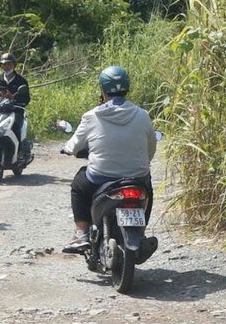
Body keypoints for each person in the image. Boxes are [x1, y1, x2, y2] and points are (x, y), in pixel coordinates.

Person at [61, 66, 157, 254]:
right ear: (127, 88)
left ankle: (81, 233)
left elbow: (73, 147)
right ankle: (141, 232)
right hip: (137, 178)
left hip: (100, 177)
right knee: (148, 190)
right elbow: (150, 150)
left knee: (78, 187)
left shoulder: (92, 116)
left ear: (103, 90)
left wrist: (67, 149)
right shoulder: (143, 115)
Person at [0, 52, 32, 168]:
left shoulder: (21, 81)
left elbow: (26, 98)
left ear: (14, 65)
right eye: (4, 64)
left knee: (16, 126)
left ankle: (20, 153)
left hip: (15, 110)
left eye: (9, 64)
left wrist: (14, 98)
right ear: (1, 66)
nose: (7, 67)